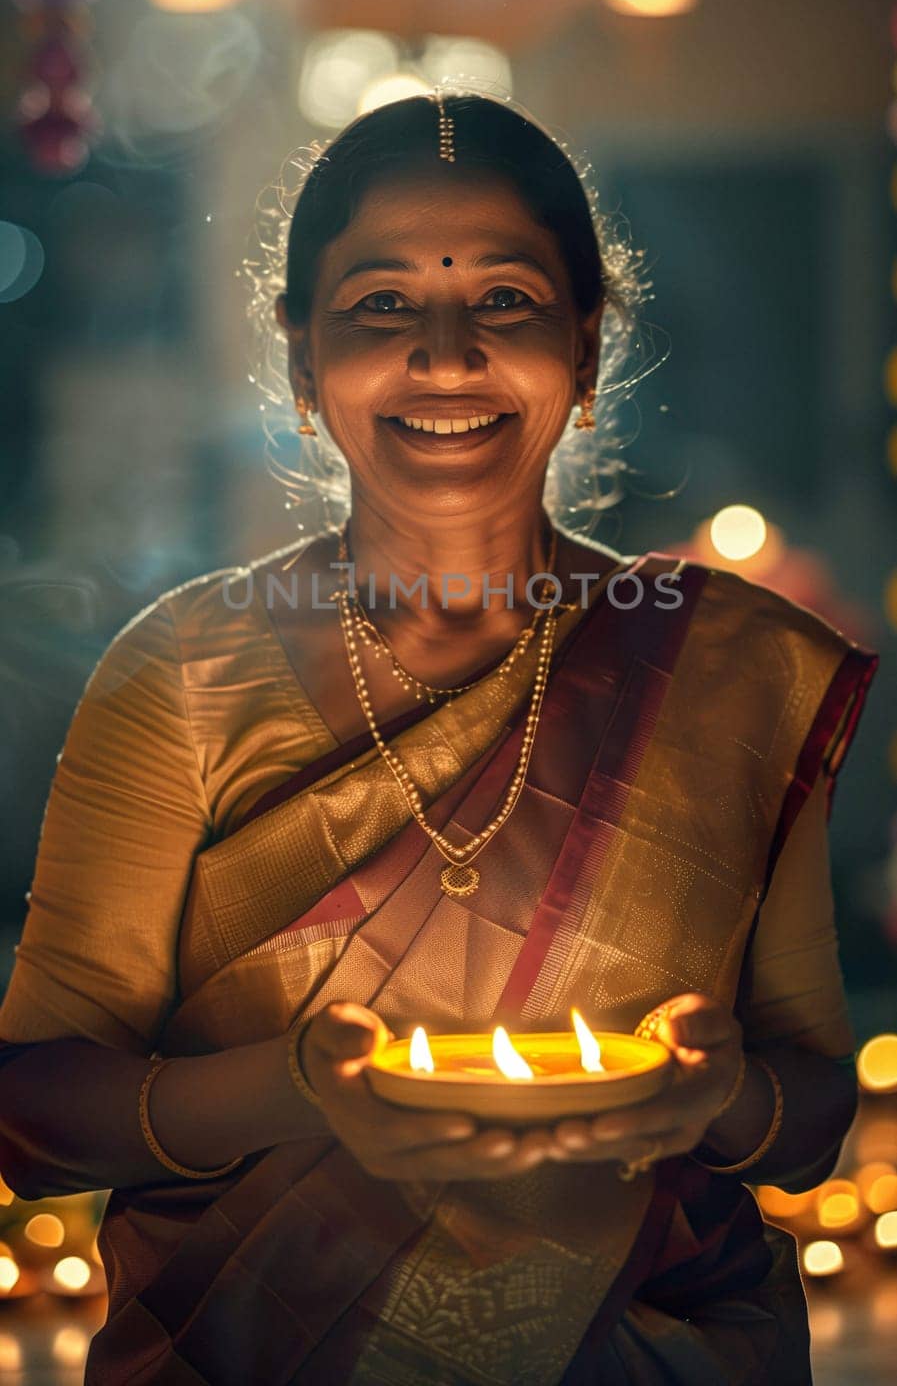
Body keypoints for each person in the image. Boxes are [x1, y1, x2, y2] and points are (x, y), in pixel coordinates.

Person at [0, 93, 877, 1386]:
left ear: (586, 350)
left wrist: (717, 1098)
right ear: (303, 365)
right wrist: (291, 1089)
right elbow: (35, 1106)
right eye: (379, 306)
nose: (446, 355)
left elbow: (806, 1114)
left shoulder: (732, 672)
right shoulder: (183, 673)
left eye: (507, 302)